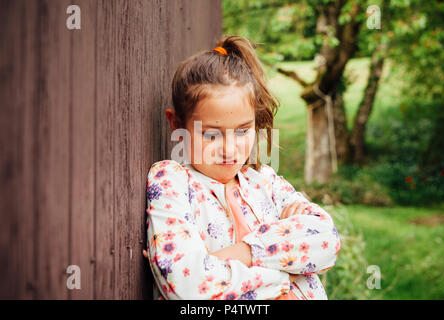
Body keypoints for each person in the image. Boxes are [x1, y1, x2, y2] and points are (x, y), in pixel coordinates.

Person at [142, 35, 341, 300]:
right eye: (212, 134)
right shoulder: (172, 183)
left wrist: (245, 253)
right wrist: (286, 273)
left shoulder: (266, 183)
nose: (230, 149)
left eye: (242, 131)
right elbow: (189, 287)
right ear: (177, 124)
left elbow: (326, 240)